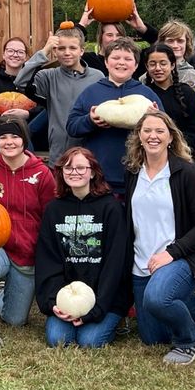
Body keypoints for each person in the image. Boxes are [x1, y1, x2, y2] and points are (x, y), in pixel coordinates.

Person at [121, 111, 195, 365]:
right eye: (147, 131)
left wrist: (171, 253)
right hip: (141, 261)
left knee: (158, 299)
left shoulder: (185, 172)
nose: (153, 136)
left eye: (160, 131)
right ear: (138, 137)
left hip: (178, 257)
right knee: (153, 338)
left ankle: (189, 343)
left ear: (171, 137)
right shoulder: (132, 172)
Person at [0, 117, 56, 348]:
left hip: (27, 251)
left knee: (15, 320)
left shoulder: (41, 173)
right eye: (3, 137)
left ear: (24, 139)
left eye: (14, 136)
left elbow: (51, 216)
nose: (9, 142)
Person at [35, 147, 130, 348]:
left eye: (81, 167)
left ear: (93, 172)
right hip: (67, 297)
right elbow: (47, 260)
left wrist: (97, 309)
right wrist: (53, 303)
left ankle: (115, 321)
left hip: (104, 299)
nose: (74, 172)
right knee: (59, 340)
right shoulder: (54, 209)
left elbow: (115, 263)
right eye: (68, 168)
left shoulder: (110, 208)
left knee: (90, 341)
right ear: (61, 172)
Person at [67, 38, 163, 195]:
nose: (121, 63)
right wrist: (89, 121)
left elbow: (165, 130)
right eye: (115, 58)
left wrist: (155, 119)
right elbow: (72, 127)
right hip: (99, 175)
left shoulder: (146, 95)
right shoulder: (91, 92)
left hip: (139, 174)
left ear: (136, 65)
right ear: (106, 62)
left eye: (128, 59)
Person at [16, 27, 104, 157]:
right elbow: (21, 82)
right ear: (55, 51)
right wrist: (44, 51)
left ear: (82, 51)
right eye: (61, 48)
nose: (67, 53)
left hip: (90, 152)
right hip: (59, 152)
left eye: (73, 48)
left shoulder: (97, 77)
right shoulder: (48, 76)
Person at [142, 43, 195, 166]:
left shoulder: (186, 92)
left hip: (183, 158)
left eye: (163, 63)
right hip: (151, 159)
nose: (158, 68)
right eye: (153, 64)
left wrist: (175, 147)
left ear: (172, 65)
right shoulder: (143, 95)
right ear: (147, 67)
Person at [0, 37, 44, 146]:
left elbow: (45, 105)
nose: (15, 54)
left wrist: (28, 113)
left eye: (20, 52)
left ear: (26, 57)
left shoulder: (36, 80)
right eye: (10, 51)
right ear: (4, 55)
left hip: (32, 130)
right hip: (2, 131)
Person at [76, 3, 159, 76]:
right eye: (109, 35)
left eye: (118, 35)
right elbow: (67, 47)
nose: (114, 39)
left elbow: (163, 46)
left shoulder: (134, 59)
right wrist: (82, 25)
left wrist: (142, 28)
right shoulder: (89, 61)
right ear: (100, 36)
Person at [152, 20, 195, 91]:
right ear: (162, 43)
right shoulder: (149, 76)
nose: (175, 45)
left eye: (180, 41)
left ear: (187, 43)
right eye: (170, 41)